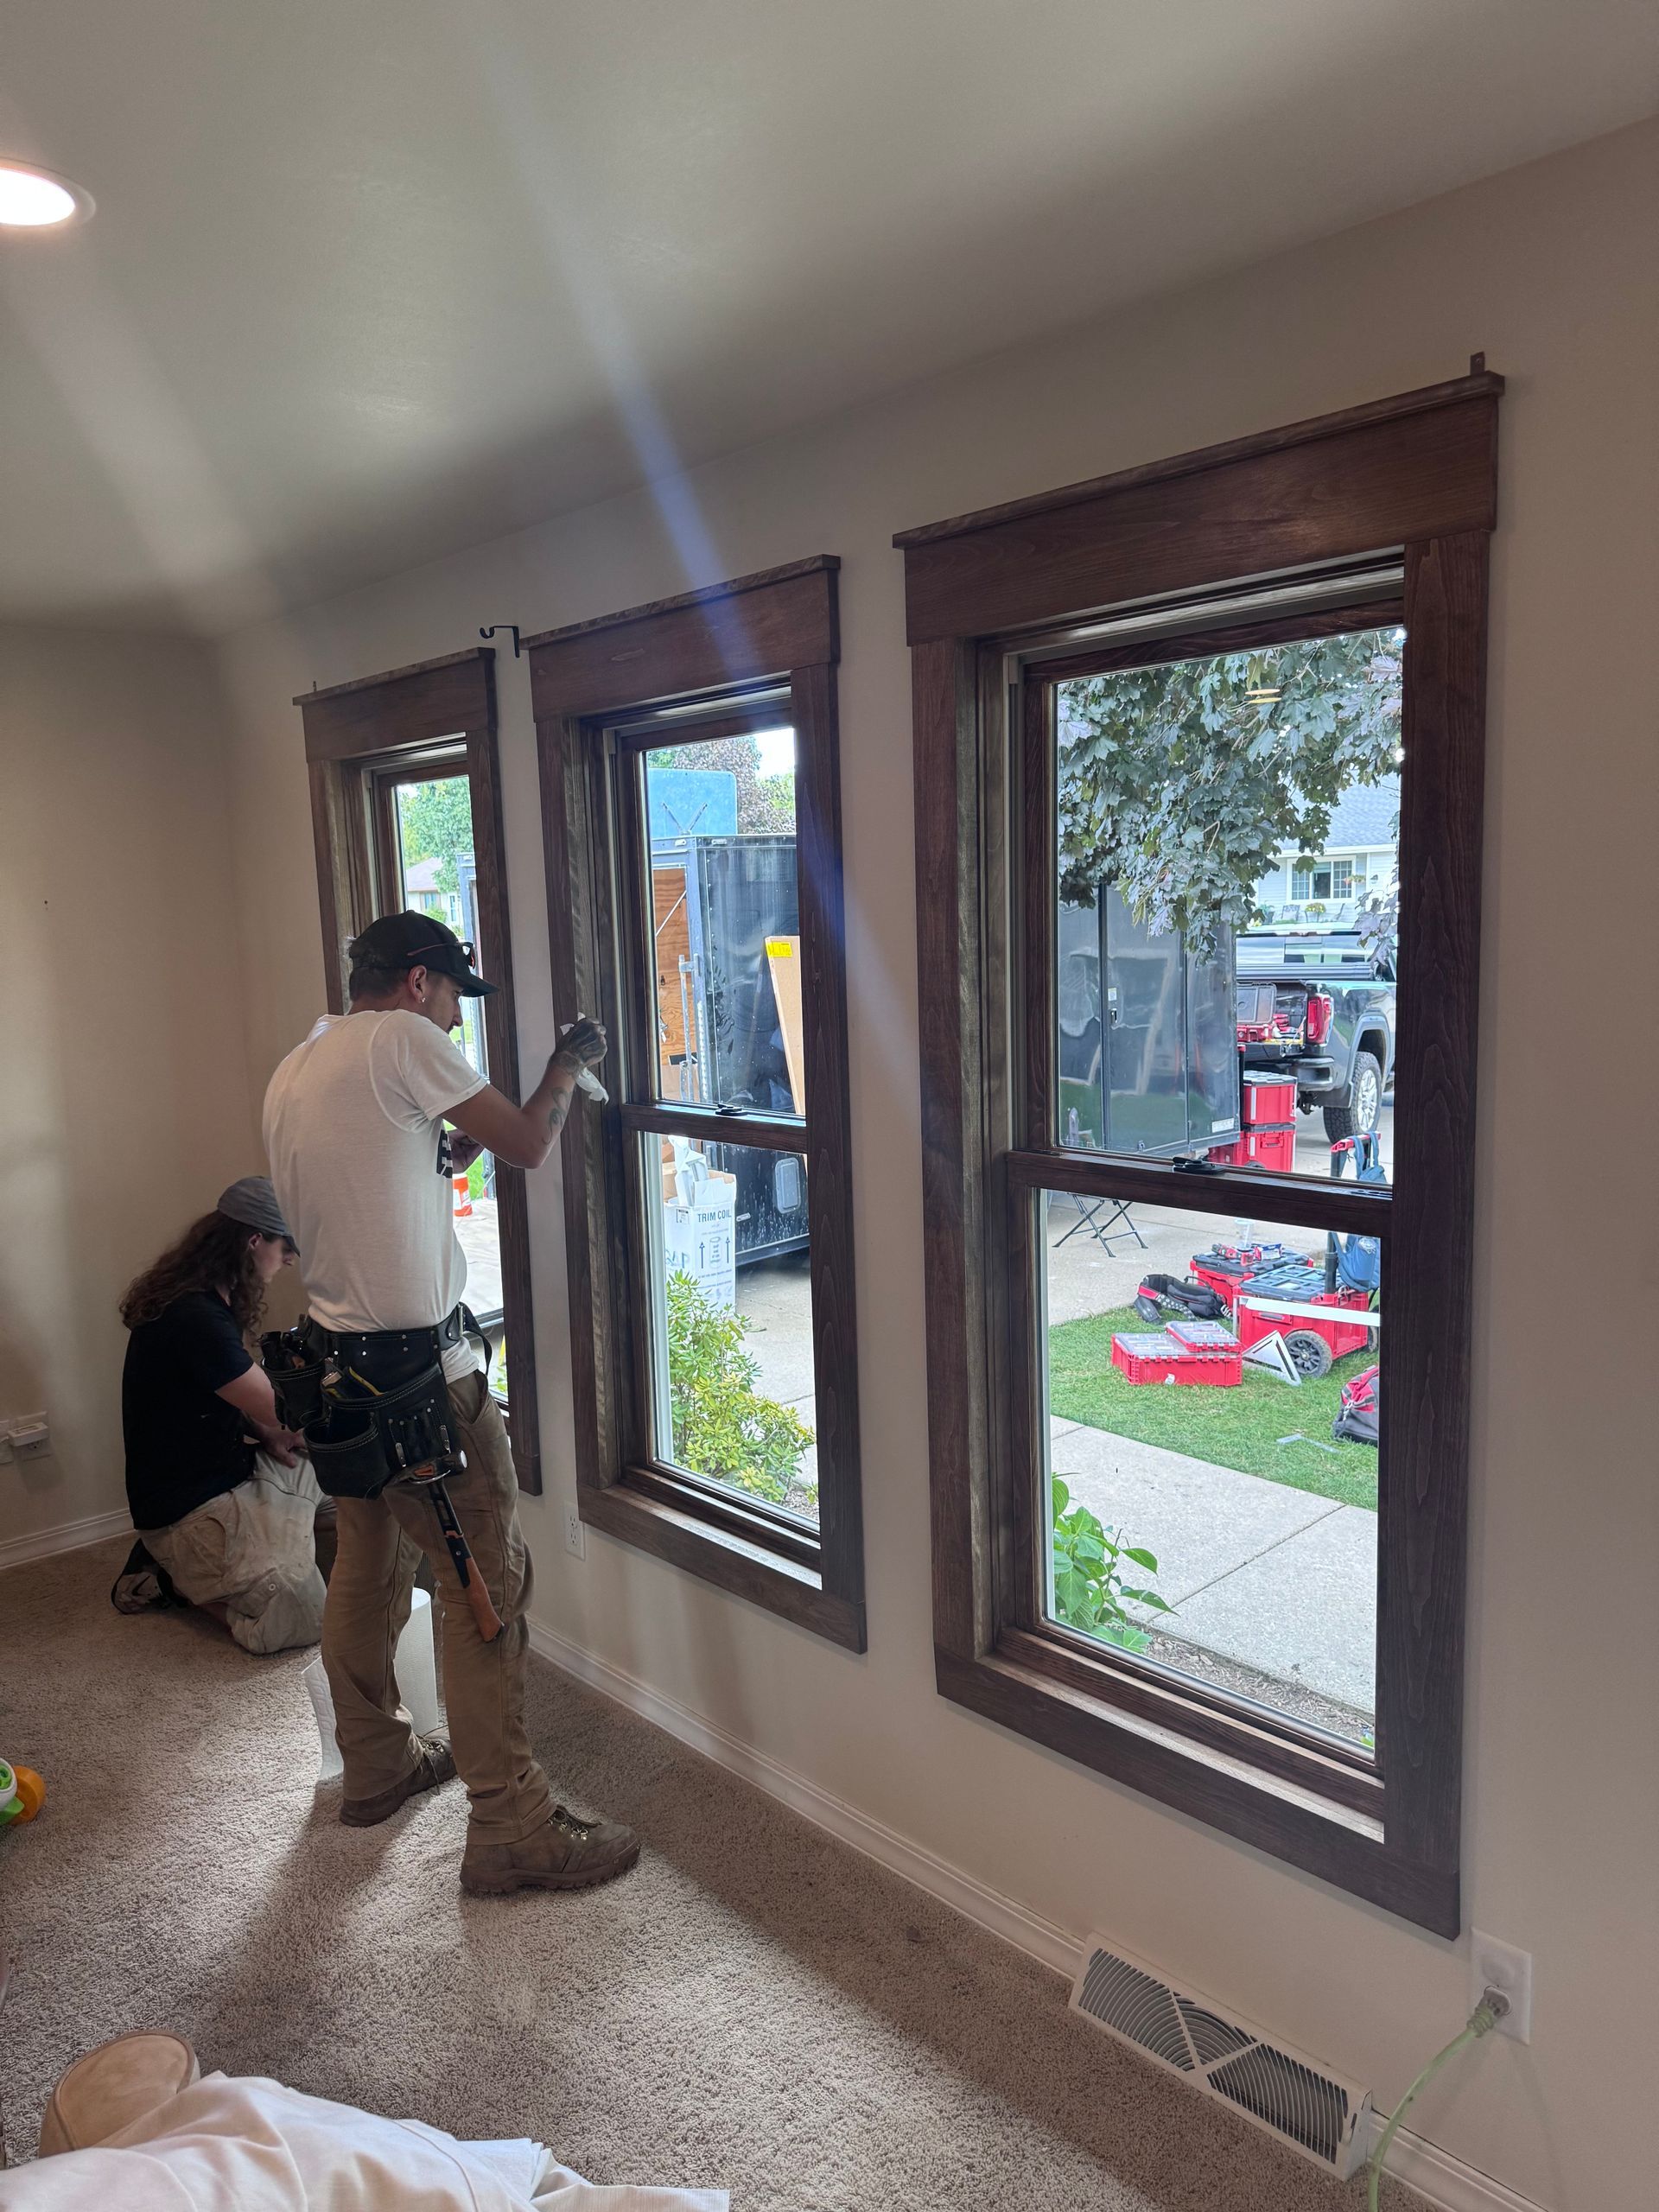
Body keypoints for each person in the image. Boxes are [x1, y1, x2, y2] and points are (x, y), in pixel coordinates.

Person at [263, 911, 637, 1893]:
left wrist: (443, 1146)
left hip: (338, 1368)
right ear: (422, 982)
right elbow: (522, 1144)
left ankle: (376, 1765)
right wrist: (563, 1067)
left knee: (366, 1559)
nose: (454, 1024)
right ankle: (512, 1825)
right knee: (486, 1589)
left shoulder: (301, 1064)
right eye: (454, 1001)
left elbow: (376, 1182)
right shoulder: (404, 1039)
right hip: (426, 1387)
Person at [115, 1179, 327, 1655]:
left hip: (236, 1468)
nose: (290, 1258)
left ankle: (238, 1566)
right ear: (254, 1242)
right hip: (190, 1508)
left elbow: (229, 1398)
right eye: (285, 1245)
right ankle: (166, 1578)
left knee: (357, 1488)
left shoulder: (210, 1295)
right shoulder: (193, 1316)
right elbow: (283, 1406)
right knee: (306, 1610)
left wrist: (267, 1435)